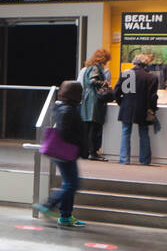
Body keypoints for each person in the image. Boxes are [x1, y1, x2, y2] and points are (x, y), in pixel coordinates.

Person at [34, 81, 87, 227]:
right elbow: (66, 132)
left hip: (63, 152)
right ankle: (48, 204)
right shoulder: (68, 110)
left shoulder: (63, 107)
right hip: (65, 152)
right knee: (72, 184)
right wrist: (79, 142)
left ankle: (65, 216)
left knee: (68, 183)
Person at [114, 53, 159, 166]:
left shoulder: (126, 74)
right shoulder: (151, 77)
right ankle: (145, 160)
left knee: (125, 132)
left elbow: (116, 93)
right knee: (144, 133)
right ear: (146, 63)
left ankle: (124, 159)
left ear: (134, 62)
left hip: (127, 108)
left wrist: (122, 103)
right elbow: (152, 97)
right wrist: (152, 110)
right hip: (143, 109)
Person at [77, 49, 111, 160]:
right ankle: (93, 153)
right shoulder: (95, 68)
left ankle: (86, 152)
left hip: (88, 98)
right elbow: (93, 81)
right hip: (93, 99)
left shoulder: (89, 67)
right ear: (103, 58)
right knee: (93, 127)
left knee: (88, 127)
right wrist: (104, 83)